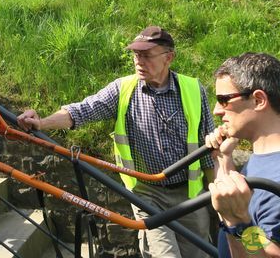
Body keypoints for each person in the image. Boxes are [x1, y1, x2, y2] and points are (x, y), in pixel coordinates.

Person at [17, 25, 215, 258]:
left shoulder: (193, 89)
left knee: (199, 253)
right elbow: (82, 111)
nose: (139, 61)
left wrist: (216, 192)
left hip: (189, 194)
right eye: (136, 55)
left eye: (147, 55)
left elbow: (209, 148)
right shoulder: (123, 89)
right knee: (165, 255)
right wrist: (42, 123)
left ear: (168, 57)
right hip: (147, 194)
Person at [205, 53, 280, 257]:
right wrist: (223, 159)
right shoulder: (262, 158)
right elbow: (233, 199)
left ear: (258, 100)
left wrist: (237, 222)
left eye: (223, 100)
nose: (216, 110)